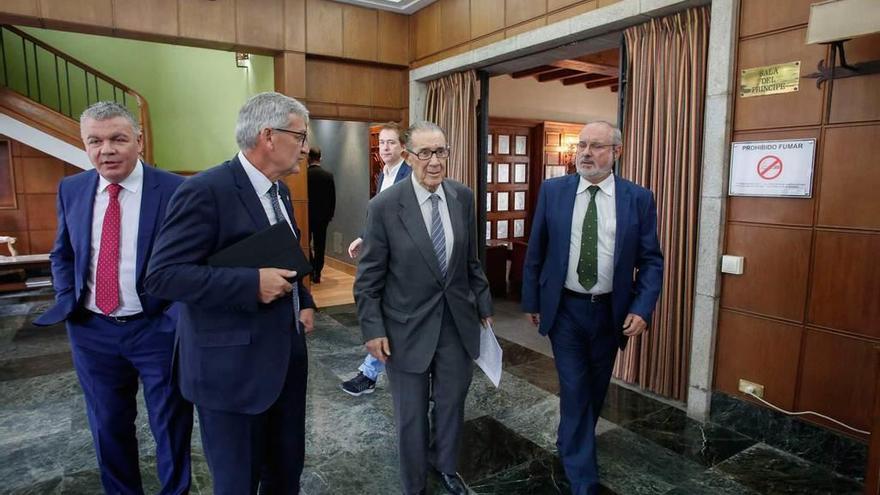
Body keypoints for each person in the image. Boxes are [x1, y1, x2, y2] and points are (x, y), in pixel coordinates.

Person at [144, 92, 316, 494]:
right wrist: (249, 284)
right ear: (269, 136)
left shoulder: (282, 191)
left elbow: (283, 255)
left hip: (285, 361)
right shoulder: (205, 190)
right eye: (301, 136)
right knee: (237, 483)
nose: (306, 148)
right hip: (230, 373)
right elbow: (163, 276)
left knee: (285, 473)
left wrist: (302, 300)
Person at [34, 101, 192, 494]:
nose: (107, 149)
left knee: (170, 424)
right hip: (92, 331)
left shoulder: (175, 190)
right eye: (95, 141)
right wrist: (69, 298)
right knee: (106, 426)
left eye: (118, 139)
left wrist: (173, 316)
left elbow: (193, 260)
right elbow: (62, 253)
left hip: (157, 330)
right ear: (85, 145)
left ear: (138, 141)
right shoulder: (72, 188)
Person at [521, 121, 663, 495]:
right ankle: (583, 478)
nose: (585, 152)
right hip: (565, 308)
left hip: (610, 312)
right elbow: (537, 249)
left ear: (616, 152)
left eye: (596, 146)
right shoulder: (554, 191)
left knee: (595, 388)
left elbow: (650, 260)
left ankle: (569, 441)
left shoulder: (639, 198)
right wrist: (532, 299)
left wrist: (643, 307)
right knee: (574, 387)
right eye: (582, 145)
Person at [354, 121, 493, 495]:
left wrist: (483, 303)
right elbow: (368, 278)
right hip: (405, 329)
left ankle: (446, 466)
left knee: (451, 405)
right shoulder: (384, 206)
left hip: (456, 324)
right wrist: (372, 329)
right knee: (411, 416)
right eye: (426, 153)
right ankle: (413, 483)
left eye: (441, 152)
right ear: (407, 155)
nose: (435, 161)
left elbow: (471, 261)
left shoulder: (462, 197)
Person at [341, 122, 412, 396]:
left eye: (391, 142)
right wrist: (364, 236)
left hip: (401, 260)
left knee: (389, 313)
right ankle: (370, 373)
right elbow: (379, 216)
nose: (385, 147)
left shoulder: (409, 176)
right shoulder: (384, 175)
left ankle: (370, 374)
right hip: (384, 255)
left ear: (403, 147)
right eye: (382, 142)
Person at [306, 146, 335, 283]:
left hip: (306, 216)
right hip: (323, 217)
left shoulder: (304, 176)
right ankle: (318, 272)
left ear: (308, 158)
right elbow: (332, 198)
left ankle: (310, 269)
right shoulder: (328, 176)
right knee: (320, 245)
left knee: (306, 243)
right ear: (320, 158)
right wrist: (329, 215)